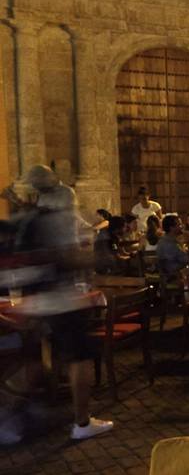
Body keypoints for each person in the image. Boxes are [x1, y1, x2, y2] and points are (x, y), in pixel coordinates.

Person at [15, 171, 113, 440]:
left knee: (36, 357)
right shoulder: (58, 219)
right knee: (79, 358)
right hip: (63, 300)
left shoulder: (27, 221)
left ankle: (21, 413)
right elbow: (66, 258)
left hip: (35, 301)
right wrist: (94, 260)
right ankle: (82, 423)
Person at [156, 213, 189, 281]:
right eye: (179, 225)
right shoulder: (171, 244)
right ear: (171, 228)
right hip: (176, 277)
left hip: (168, 275)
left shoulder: (162, 240)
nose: (182, 227)